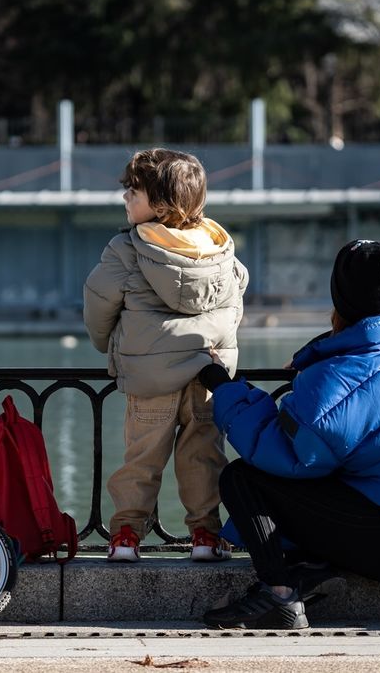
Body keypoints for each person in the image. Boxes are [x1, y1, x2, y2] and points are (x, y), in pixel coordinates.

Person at [199, 239, 380, 630]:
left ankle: (279, 595)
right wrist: (320, 350)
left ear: (339, 300)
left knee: (241, 479)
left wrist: (224, 387)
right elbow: (376, 339)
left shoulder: (334, 382)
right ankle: (312, 570)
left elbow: (285, 453)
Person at [83, 148, 248, 563]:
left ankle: (125, 535)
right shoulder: (218, 249)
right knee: (203, 457)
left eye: (132, 192)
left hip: (150, 377)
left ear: (159, 205)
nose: (125, 198)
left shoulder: (127, 250)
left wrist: (110, 346)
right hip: (207, 376)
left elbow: (98, 305)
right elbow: (237, 296)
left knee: (141, 458)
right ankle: (205, 536)